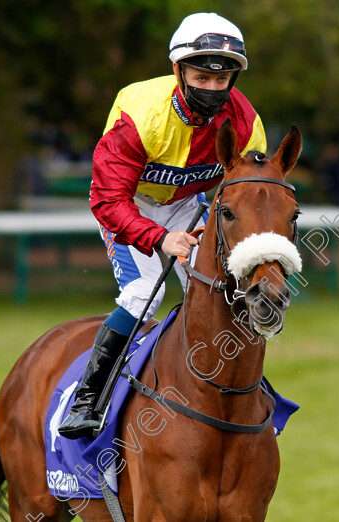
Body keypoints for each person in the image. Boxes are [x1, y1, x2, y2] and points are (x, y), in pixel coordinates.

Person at [58, 12, 267, 439]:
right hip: (130, 205)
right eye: (201, 78)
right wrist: (158, 237)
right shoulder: (139, 113)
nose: (212, 88)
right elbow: (107, 200)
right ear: (178, 71)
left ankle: (242, 392)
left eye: (222, 78)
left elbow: (248, 192)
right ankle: (88, 397)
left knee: (223, 291)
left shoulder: (246, 124)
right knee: (141, 296)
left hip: (189, 206)